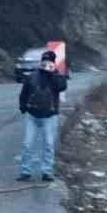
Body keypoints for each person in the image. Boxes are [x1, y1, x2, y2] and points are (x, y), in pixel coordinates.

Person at [18, 49, 69, 181]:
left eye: (49, 61)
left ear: (53, 62)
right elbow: (24, 93)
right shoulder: (32, 76)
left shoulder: (57, 75)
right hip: (32, 115)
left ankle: (47, 171)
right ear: (41, 62)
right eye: (44, 61)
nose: (46, 63)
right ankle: (25, 171)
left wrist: (52, 73)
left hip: (50, 115)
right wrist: (23, 106)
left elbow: (62, 87)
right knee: (27, 144)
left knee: (48, 145)